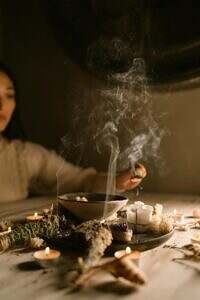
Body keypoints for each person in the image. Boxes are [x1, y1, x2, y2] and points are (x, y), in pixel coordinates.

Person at [0, 62, 146, 202]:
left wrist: (117, 181)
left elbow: (82, 181)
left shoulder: (23, 155)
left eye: (9, 96)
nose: (2, 104)